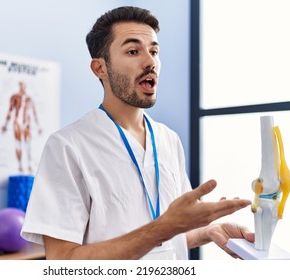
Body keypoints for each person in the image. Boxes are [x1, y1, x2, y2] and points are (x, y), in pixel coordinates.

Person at [21, 6, 254, 260]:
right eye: (133, 51)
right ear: (100, 68)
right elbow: (61, 260)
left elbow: (171, 237)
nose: (150, 61)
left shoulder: (169, 140)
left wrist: (209, 231)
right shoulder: (67, 147)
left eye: (154, 51)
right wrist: (163, 227)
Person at [1, 81, 42, 173]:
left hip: (26, 123)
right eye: (21, 86)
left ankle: (29, 165)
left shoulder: (29, 99)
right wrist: (6, 124)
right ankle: (19, 165)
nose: (22, 88)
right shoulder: (15, 97)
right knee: (18, 144)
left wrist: (38, 126)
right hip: (17, 123)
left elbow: (34, 112)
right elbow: (10, 111)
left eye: (23, 86)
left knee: (28, 145)